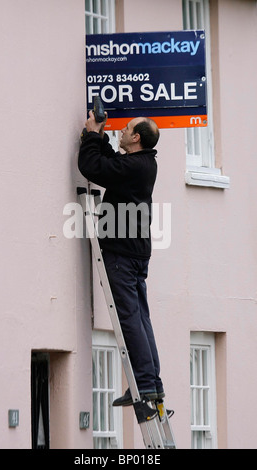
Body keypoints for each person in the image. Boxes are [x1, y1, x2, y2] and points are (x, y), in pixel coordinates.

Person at [78, 111, 165, 406]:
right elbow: (113, 164)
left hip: (122, 253)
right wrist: (99, 138)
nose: (122, 131)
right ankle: (152, 382)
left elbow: (93, 167)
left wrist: (91, 136)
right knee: (140, 317)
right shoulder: (143, 163)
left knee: (130, 318)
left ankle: (143, 384)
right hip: (136, 252)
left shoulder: (135, 166)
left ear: (136, 137)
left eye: (127, 129)